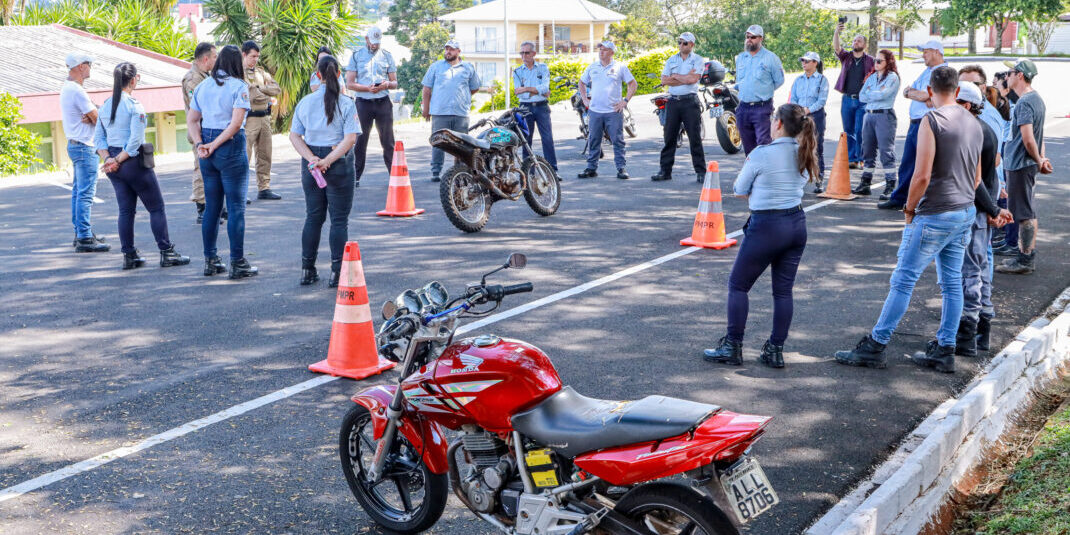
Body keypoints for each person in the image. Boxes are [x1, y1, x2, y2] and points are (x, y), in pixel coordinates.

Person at [835, 67, 981, 374]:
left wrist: (910, 208)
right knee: (952, 283)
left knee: (903, 280)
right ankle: (945, 348)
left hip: (936, 211)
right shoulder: (972, 121)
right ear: (957, 90)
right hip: (964, 209)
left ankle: (876, 344)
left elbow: (922, 174)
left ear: (930, 91)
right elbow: (977, 175)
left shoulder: (932, 120)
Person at [703, 103, 817, 369]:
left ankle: (733, 345)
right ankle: (775, 349)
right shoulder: (805, 150)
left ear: (778, 124)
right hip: (796, 223)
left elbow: (739, 189)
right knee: (783, 291)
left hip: (767, 224)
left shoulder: (762, 154)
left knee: (738, 285)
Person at [94, 62, 190, 270]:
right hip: (131, 162)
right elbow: (135, 141)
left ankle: (129, 255)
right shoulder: (134, 105)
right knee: (156, 207)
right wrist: (119, 159)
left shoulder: (104, 106)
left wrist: (108, 160)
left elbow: (98, 139)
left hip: (113, 164)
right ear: (133, 79)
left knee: (126, 211)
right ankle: (166, 251)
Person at [187, 44, 258, 280]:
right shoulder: (238, 86)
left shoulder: (202, 86)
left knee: (212, 208)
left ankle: (211, 259)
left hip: (207, 144)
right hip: (228, 146)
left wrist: (201, 145)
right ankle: (237, 262)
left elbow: (193, 120)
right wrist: (214, 145)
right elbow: (236, 123)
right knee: (236, 208)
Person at [953, 81, 1013, 357]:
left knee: (971, 270)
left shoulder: (974, 131)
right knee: (979, 267)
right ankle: (981, 328)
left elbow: (976, 180)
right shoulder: (986, 128)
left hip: (977, 208)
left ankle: (968, 332)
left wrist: (991, 210)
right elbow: (989, 174)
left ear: (966, 105)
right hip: (984, 204)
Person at [290, 55, 361, 288]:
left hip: (312, 163)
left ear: (317, 75)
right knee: (339, 221)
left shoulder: (306, 102)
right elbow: (350, 138)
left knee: (313, 217)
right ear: (339, 74)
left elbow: (294, 136)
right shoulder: (346, 103)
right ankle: (336, 272)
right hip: (337, 162)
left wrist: (312, 158)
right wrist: (329, 159)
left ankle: (306, 269)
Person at [996, 59, 1052, 275]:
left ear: (1020, 75)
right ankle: (1025, 256)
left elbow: (1029, 138)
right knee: (1025, 210)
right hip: (1024, 163)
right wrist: (1041, 158)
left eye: (1009, 73)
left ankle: (1025, 259)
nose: (1006, 77)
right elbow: (1040, 136)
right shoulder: (1035, 99)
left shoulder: (1025, 103)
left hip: (1020, 165)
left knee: (1024, 213)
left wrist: (1038, 160)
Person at [878, 40, 947, 208]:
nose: (923, 54)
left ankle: (920, 200)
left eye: (926, 51)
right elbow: (910, 92)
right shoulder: (927, 71)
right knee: (908, 163)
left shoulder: (942, 72)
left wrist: (915, 93)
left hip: (928, 123)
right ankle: (901, 198)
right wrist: (913, 93)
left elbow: (925, 96)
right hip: (916, 122)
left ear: (937, 52)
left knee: (925, 164)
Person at [60, 53, 110, 253]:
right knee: (85, 194)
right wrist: (95, 115)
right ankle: (84, 237)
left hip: (75, 144)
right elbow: (98, 118)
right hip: (84, 145)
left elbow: (93, 114)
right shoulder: (77, 91)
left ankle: (80, 231)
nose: (90, 68)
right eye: (88, 64)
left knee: (78, 192)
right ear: (80, 66)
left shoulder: (68, 88)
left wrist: (93, 114)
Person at [576, 41, 637, 180]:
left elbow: (633, 84)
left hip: (613, 111)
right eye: (600, 49)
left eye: (604, 50)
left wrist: (625, 101)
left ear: (612, 52)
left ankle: (621, 168)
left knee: (617, 140)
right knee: (594, 139)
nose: (601, 52)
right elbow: (581, 82)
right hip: (595, 111)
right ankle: (591, 168)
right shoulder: (593, 67)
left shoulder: (620, 67)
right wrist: (585, 100)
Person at [422, 39, 480, 182]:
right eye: (446, 49)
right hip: (440, 112)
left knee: (461, 144)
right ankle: (436, 171)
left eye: (452, 49)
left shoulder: (468, 68)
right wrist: (427, 108)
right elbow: (427, 88)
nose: (448, 52)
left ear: (458, 51)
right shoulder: (436, 67)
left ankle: (460, 172)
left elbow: (474, 87)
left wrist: (462, 97)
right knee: (438, 142)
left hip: (461, 113)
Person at [346, 26, 398, 187]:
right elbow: (350, 83)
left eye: (377, 43)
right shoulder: (356, 56)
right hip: (363, 102)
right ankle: (355, 177)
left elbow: (395, 82)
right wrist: (367, 88)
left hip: (383, 102)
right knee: (360, 140)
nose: (374, 46)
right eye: (372, 42)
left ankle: (394, 175)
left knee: (388, 141)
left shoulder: (387, 56)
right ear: (366, 39)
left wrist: (386, 85)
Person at [651, 32, 706, 183]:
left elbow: (693, 79)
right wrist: (683, 78)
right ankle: (665, 171)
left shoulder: (698, 60)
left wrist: (675, 76)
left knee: (694, 137)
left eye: (685, 43)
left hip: (690, 102)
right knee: (669, 137)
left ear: (692, 45)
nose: (681, 45)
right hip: (674, 101)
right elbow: (664, 80)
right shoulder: (671, 60)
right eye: (679, 42)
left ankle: (701, 171)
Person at [182, 42, 222, 224]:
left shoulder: (206, 75)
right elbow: (197, 106)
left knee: (213, 169)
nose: (217, 60)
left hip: (210, 129)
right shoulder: (192, 78)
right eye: (214, 57)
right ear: (205, 59)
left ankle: (215, 206)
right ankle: (201, 206)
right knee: (201, 168)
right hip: (199, 130)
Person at [853, 49, 899, 196]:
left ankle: (890, 184)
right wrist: (875, 94)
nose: (876, 63)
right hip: (869, 115)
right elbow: (861, 96)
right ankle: (865, 182)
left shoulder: (892, 77)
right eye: (875, 60)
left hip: (884, 115)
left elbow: (883, 95)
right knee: (867, 149)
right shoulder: (872, 77)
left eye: (879, 61)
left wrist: (871, 94)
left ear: (888, 62)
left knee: (886, 151)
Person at [734, 25, 784, 155]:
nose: (749, 39)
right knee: (748, 147)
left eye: (753, 37)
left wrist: (765, 91)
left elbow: (779, 80)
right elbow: (740, 80)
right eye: (748, 37)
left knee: (763, 144)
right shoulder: (741, 58)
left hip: (761, 108)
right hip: (743, 108)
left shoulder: (771, 58)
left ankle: (766, 174)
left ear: (761, 38)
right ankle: (753, 174)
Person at [242, 41, 282, 200]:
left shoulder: (260, 72)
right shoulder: (238, 73)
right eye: (253, 56)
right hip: (249, 118)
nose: (255, 60)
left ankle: (264, 187)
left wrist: (258, 88)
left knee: (265, 154)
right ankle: (242, 191)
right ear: (244, 55)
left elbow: (276, 89)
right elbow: (251, 95)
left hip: (264, 117)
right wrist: (264, 92)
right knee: (245, 155)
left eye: (257, 56)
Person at [513, 41, 559, 177]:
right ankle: (528, 173)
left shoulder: (543, 68)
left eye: (526, 52)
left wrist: (527, 88)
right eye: (521, 52)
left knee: (547, 139)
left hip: (541, 107)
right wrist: (536, 90)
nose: (523, 55)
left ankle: (553, 171)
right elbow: (518, 92)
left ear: (533, 54)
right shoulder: (517, 71)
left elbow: (546, 88)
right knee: (526, 140)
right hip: (525, 108)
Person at [833, 22, 874, 169]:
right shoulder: (846, 57)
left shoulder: (870, 61)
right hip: (847, 99)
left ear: (865, 45)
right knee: (848, 130)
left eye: (859, 40)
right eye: (854, 40)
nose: (856, 42)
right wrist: (836, 32)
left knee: (859, 130)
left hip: (863, 101)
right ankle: (852, 159)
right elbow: (837, 48)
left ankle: (861, 158)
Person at [788, 52, 828, 191]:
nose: (804, 63)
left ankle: (819, 177)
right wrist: (798, 110)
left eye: (807, 61)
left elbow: (821, 100)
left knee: (817, 147)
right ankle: (799, 178)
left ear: (815, 63)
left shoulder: (822, 80)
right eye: (803, 61)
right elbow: (793, 97)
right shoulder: (798, 80)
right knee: (798, 147)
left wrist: (808, 110)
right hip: (800, 116)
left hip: (816, 116)